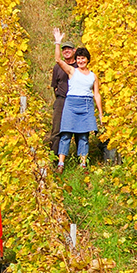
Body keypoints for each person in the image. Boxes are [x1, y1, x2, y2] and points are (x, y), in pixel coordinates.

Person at [53, 29, 103, 172]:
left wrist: (100, 113)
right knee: (66, 134)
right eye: (79, 58)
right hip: (72, 103)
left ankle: (83, 164)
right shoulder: (72, 71)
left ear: (87, 60)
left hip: (86, 105)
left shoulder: (93, 76)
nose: (81, 61)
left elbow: (97, 95)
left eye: (83, 58)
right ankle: (61, 165)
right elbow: (58, 60)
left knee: (83, 136)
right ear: (76, 60)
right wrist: (58, 42)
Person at [49, 40, 78, 154]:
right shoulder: (57, 67)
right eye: (64, 49)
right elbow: (54, 86)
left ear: (74, 51)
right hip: (61, 100)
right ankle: (54, 158)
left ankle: (80, 160)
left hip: (75, 100)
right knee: (56, 130)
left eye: (69, 49)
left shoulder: (78, 66)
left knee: (78, 131)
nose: (66, 51)